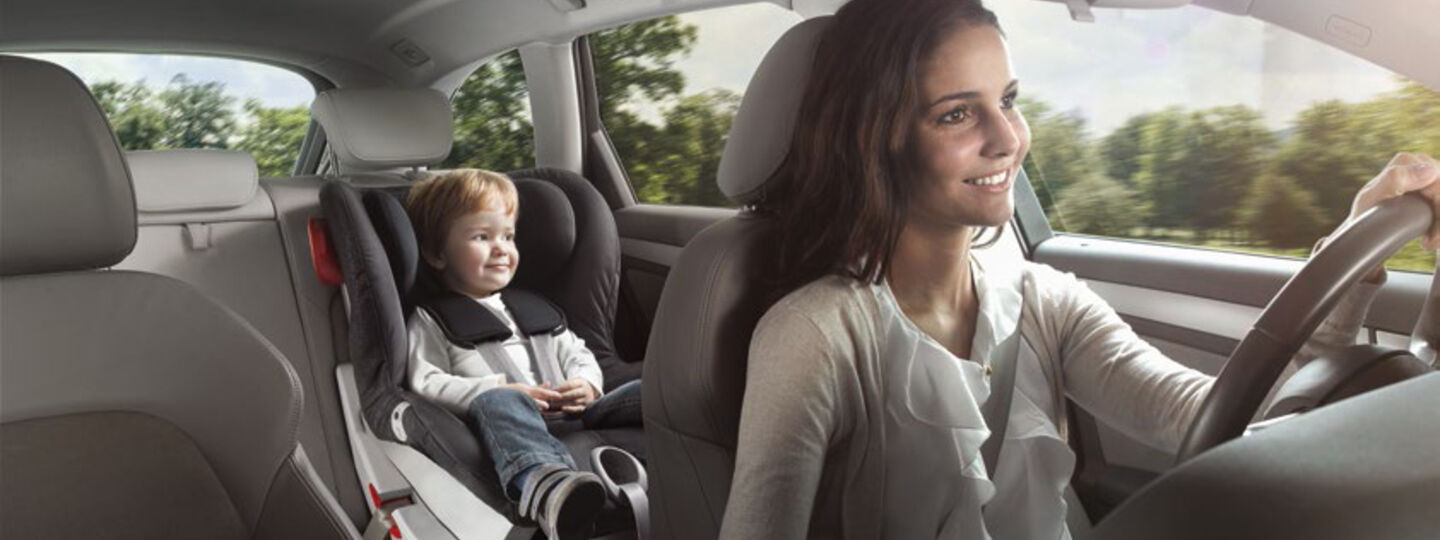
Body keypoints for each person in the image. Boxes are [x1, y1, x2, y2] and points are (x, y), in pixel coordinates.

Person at [719, 1, 1440, 539]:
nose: (1008, 139)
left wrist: (1353, 250)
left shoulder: (1044, 299)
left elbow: (1224, 420)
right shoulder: (813, 335)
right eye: (955, 115)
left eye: (1008, 101)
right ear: (875, 140)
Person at [404, 169, 642, 540]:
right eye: (482, 237)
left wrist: (587, 384)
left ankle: (697, 435)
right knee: (498, 402)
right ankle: (547, 485)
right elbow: (425, 382)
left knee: (646, 390)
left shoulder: (537, 308)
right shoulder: (431, 318)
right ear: (437, 254)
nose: (501, 247)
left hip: (577, 411)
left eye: (508, 236)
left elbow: (578, 353)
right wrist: (496, 388)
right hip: (507, 423)